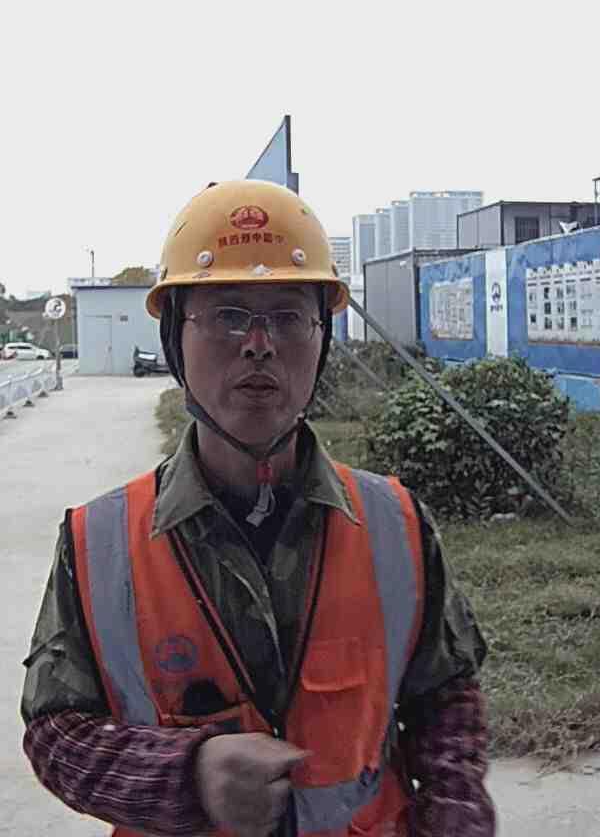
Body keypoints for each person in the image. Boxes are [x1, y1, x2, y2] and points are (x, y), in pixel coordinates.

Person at [22, 179, 496, 837]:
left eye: (288, 317)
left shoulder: (397, 524)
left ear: (322, 337)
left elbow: (447, 699)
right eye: (227, 315)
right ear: (175, 338)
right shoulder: (97, 541)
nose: (258, 344)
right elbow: (55, 734)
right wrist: (184, 776)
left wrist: (455, 815)